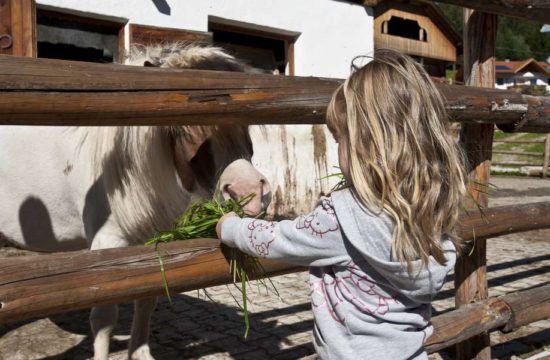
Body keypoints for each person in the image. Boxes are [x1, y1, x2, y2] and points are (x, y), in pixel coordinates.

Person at [216, 49, 468, 360]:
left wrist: (230, 227)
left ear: (367, 143)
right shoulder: (431, 215)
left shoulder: (342, 216)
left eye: (340, 139)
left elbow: (277, 240)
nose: (338, 149)